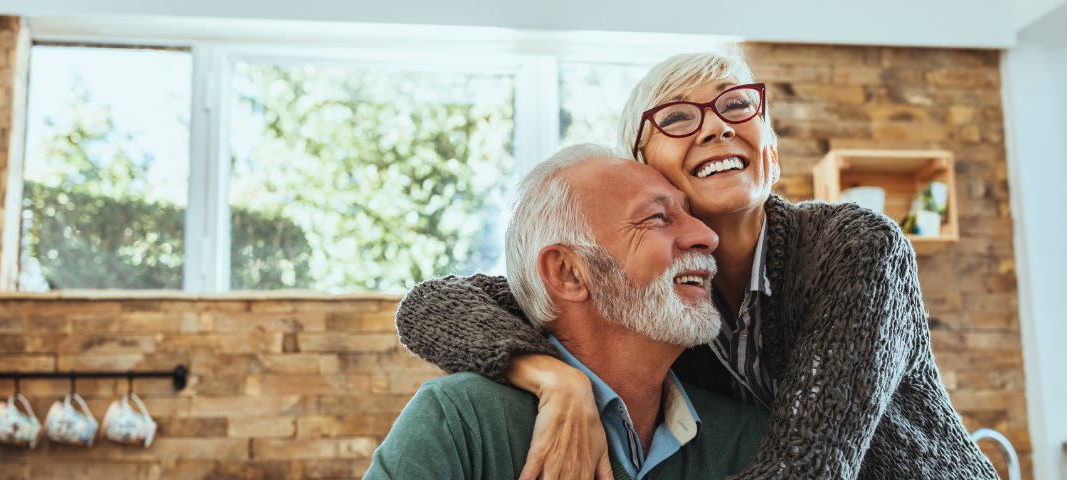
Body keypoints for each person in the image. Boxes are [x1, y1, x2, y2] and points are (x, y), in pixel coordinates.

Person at [396, 52, 999, 479]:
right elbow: (432, 305)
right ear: (643, 164)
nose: (715, 125)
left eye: (737, 106)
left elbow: (809, 468)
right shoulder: (659, 295)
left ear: (772, 152)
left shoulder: (857, 247)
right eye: (679, 118)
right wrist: (555, 377)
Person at [365, 144, 770, 479]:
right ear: (568, 273)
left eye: (691, 215)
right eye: (658, 218)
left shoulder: (749, 439)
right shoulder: (460, 422)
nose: (707, 236)